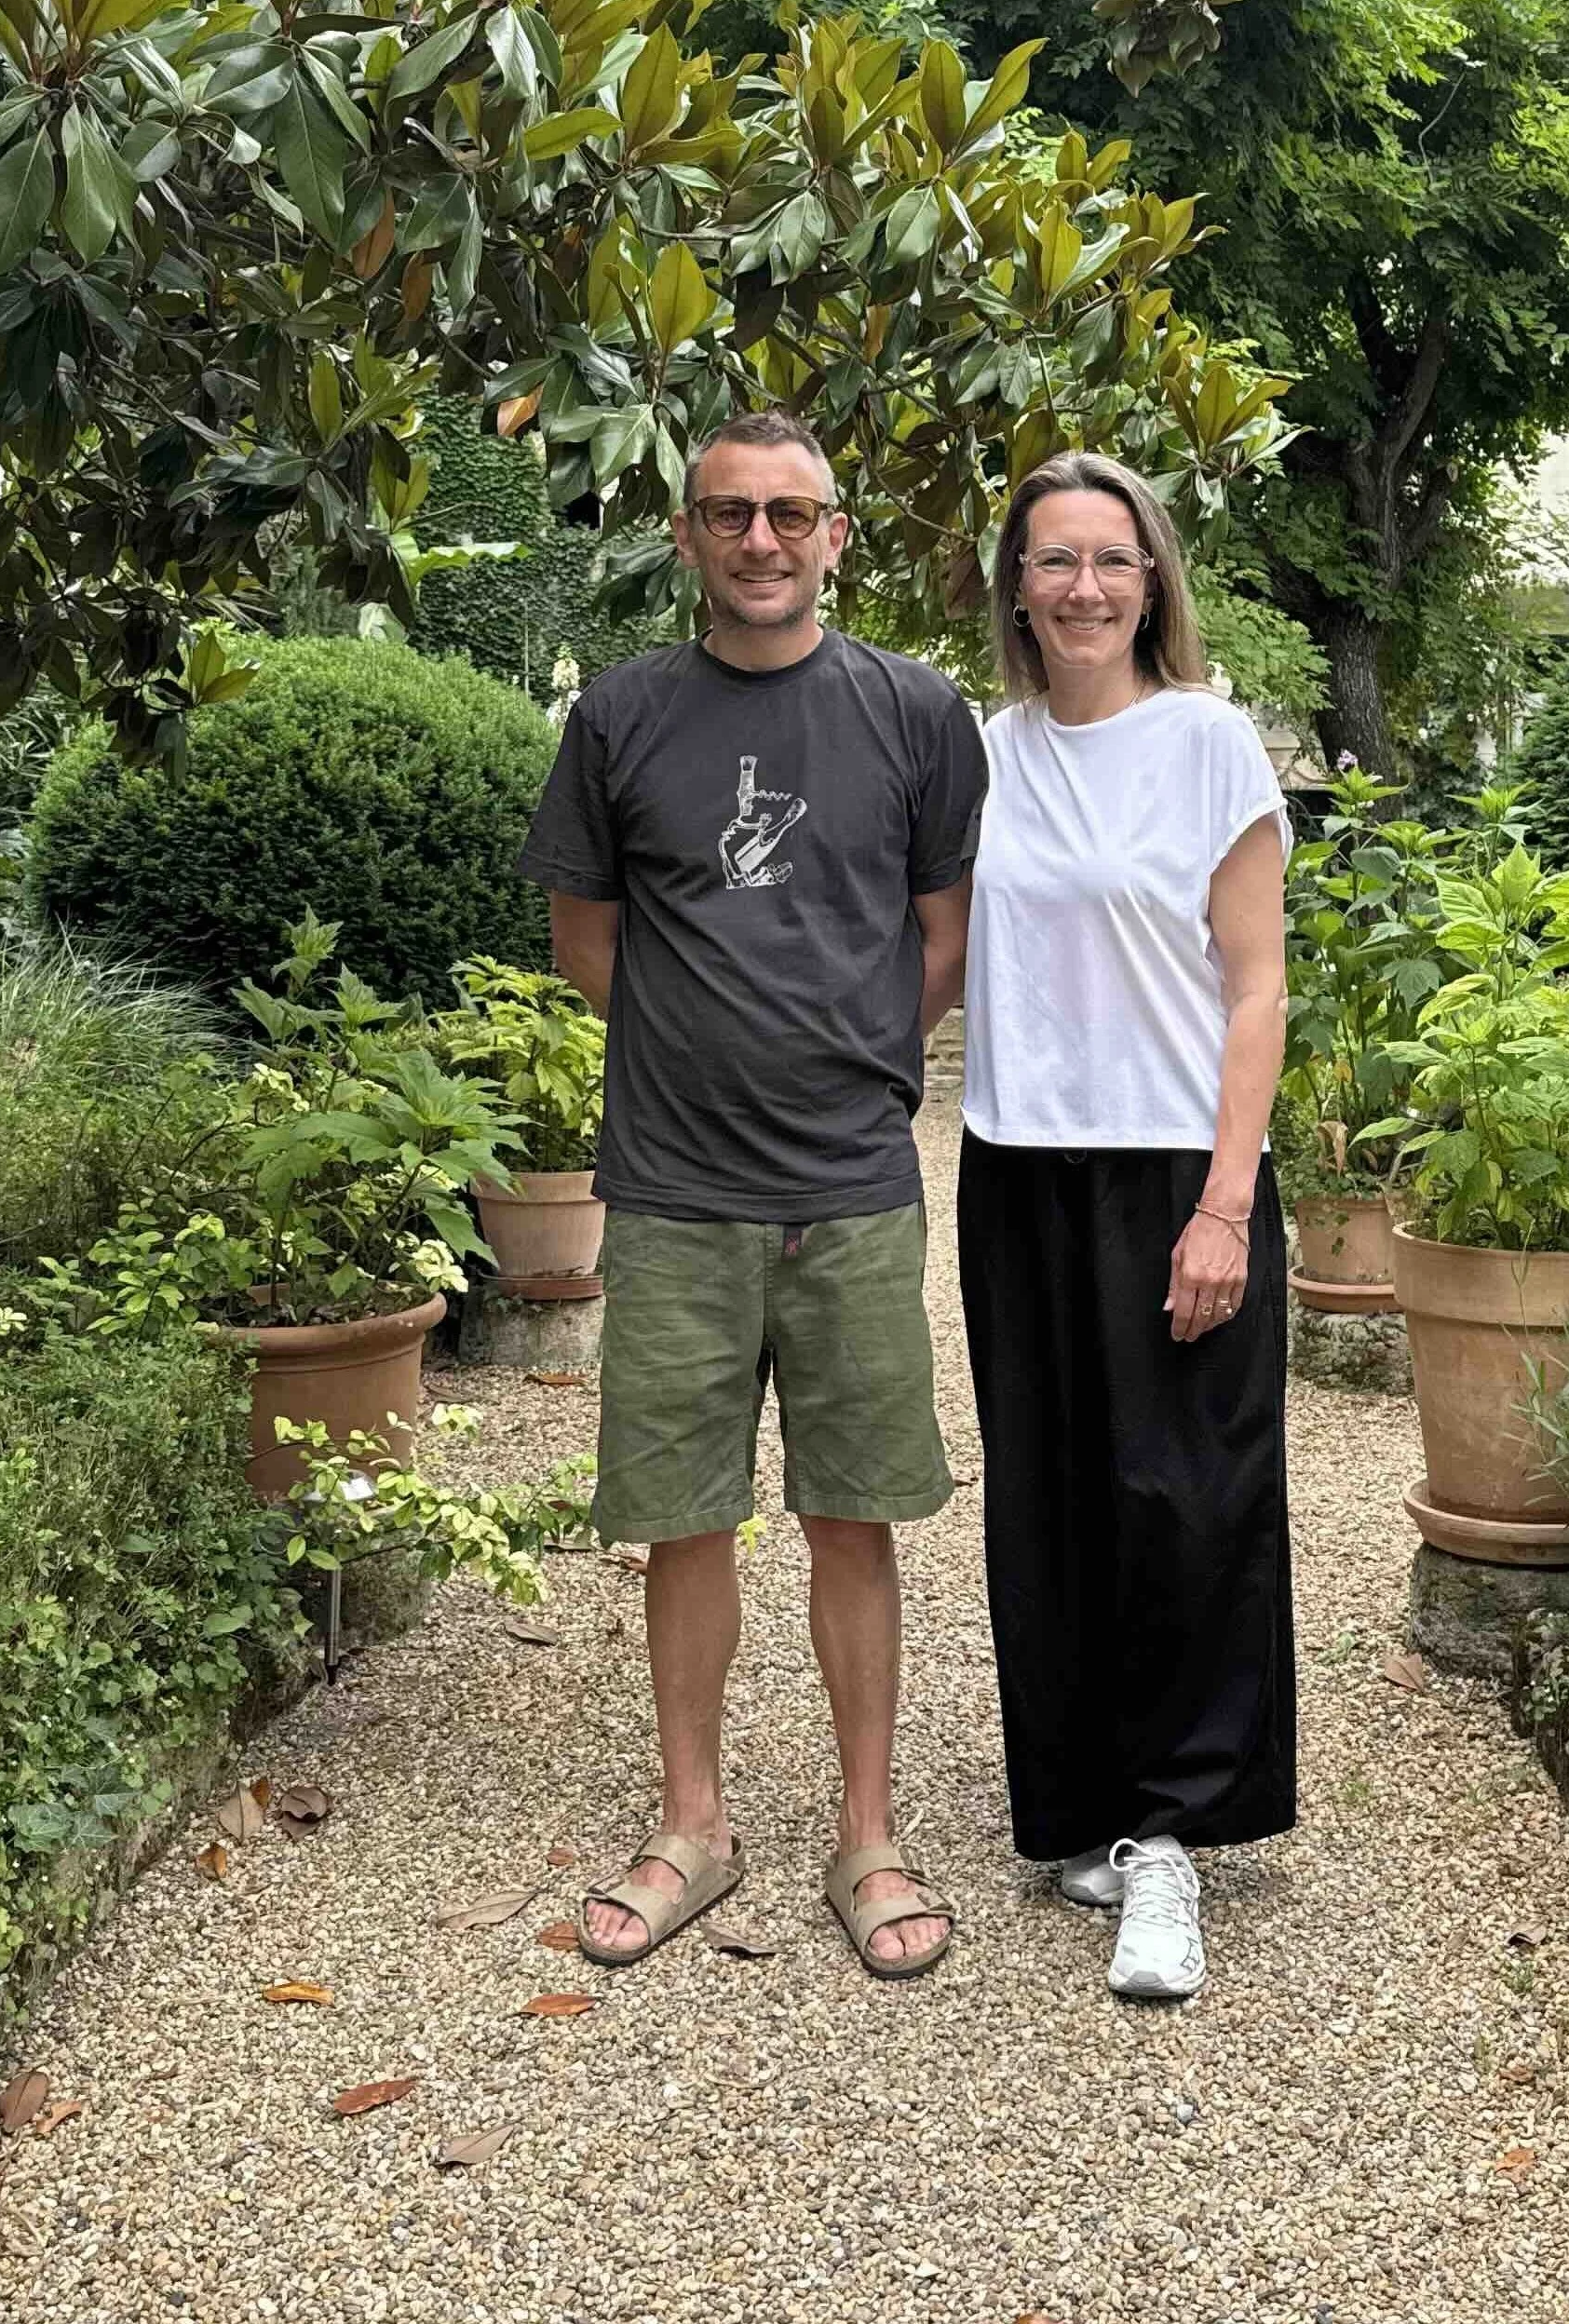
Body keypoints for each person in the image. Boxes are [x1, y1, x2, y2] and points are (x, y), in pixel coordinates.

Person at [518, 410, 986, 1980]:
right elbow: (588, 942)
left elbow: (942, 935)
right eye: (731, 514)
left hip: (851, 1185)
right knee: (683, 1518)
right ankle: (695, 1826)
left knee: (854, 1512)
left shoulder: (915, 713)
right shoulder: (619, 715)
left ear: (837, 536)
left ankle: (869, 1835)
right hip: (673, 1189)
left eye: (792, 514)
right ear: (688, 537)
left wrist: (851, 1067)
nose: (762, 541)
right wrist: (702, 1055)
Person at [957, 450, 1294, 2003]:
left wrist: (1227, 1203)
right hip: (1018, 1164)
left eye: (1112, 558)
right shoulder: (982, 756)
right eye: (1055, 560)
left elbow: (1257, 987)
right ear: (1016, 589)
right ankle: (1082, 1807)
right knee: (1048, 1498)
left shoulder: (1208, 742)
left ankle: (1171, 1839)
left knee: (1186, 1499)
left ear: (1153, 579)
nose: (1084, 587)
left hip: (1175, 1170)